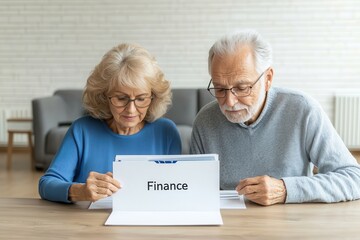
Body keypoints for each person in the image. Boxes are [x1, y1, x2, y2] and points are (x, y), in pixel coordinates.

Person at [190, 29, 360, 206]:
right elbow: (194, 189)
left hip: (290, 223)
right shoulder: (205, 121)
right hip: (228, 227)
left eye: (242, 88)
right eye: (219, 89)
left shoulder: (303, 110)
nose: (230, 102)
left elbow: (354, 178)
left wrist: (286, 189)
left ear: (268, 79)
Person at [39, 43, 182, 203]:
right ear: (103, 96)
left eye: (141, 99)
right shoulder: (82, 130)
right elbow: (47, 184)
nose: (131, 110)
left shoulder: (166, 132)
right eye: (121, 98)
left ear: (153, 97)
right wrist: (80, 191)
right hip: (86, 224)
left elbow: (174, 190)